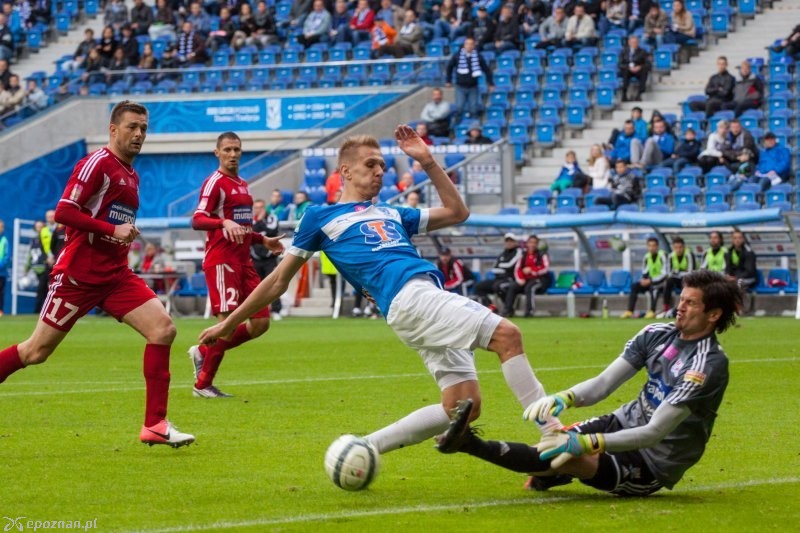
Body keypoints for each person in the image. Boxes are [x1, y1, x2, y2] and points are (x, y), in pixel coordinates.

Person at [198, 126, 550, 458]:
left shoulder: (392, 212)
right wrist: (229, 322)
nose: (380, 171)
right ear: (346, 172)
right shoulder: (319, 216)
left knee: (462, 406)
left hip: (419, 301)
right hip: (410, 298)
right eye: (370, 164)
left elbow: (457, 211)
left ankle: (362, 448)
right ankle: (553, 434)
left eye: (382, 165)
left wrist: (426, 161)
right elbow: (277, 281)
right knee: (507, 335)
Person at [437, 269, 743, 497]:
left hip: (654, 460)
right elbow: (603, 384)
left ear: (714, 314)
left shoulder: (706, 366)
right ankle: (547, 470)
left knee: (567, 457)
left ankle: (468, 443)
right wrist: (564, 398)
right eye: (682, 299)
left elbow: (654, 433)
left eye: (691, 303)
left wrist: (587, 443)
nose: (680, 306)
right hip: (622, 422)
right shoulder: (656, 334)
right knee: (550, 447)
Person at [0, 101, 194, 447]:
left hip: (116, 276)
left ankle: (155, 424)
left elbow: (111, 223)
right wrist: (112, 229)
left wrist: (122, 232)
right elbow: (64, 211)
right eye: (132, 127)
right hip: (78, 277)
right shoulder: (96, 165)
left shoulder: (131, 174)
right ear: (113, 129)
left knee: (163, 329)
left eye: (144, 129)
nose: (139, 134)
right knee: (35, 353)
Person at [188, 132, 285, 398]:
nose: (233, 154)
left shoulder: (241, 184)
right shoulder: (214, 183)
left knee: (261, 323)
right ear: (217, 153)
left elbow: (241, 227)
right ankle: (203, 385)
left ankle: (203, 352)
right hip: (222, 262)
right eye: (228, 149)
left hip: (244, 262)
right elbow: (197, 219)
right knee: (227, 325)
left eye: (237, 150)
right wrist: (222, 223)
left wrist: (262, 239)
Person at [446, 37, 494, 125]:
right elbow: (449, 67)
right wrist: (448, 80)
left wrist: (491, 83)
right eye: (467, 44)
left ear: (474, 45)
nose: (469, 46)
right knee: (459, 107)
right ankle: (457, 127)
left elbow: (486, 70)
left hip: (473, 86)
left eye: (471, 44)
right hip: (460, 86)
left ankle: (474, 126)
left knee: (473, 108)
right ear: (464, 45)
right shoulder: (457, 55)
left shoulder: (478, 56)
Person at [503, 234, 550, 318]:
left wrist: (532, 270)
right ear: (527, 243)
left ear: (537, 244)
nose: (532, 244)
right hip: (525, 279)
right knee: (513, 287)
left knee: (529, 287)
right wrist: (520, 279)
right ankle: (508, 310)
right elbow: (517, 269)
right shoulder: (523, 255)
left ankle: (529, 311)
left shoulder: (542, 254)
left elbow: (545, 268)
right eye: (530, 242)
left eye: (534, 242)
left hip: (539, 279)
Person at [251, 197, 283, 319]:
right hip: (254, 257)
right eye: (256, 208)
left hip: (270, 257)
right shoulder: (249, 220)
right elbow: (252, 232)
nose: (258, 210)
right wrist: (259, 225)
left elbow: (272, 230)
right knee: (255, 286)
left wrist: (260, 222)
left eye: (260, 208)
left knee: (273, 284)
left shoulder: (272, 218)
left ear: (265, 208)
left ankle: (276, 310)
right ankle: (258, 311)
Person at [622, 237, 667, 319]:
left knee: (654, 288)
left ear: (657, 246)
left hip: (661, 282)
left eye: (654, 246)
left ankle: (652, 311)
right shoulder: (646, 257)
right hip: (650, 281)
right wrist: (643, 280)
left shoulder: (662, 255)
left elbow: (665, 273)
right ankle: (630, 311)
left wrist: (651, 280)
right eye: (649, 246)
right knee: (635, 286)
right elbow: (645, 271)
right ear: (647, 246)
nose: (652, 248)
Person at [474, 233, 521, 311]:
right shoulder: (503, 253)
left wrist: (500, 266)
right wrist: (500, 268)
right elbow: (495, 267)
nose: (509, 243)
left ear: (515, 242)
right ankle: (492, 307)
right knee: (479, 287)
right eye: (507, 241)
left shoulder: (518, 252)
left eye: (511, 241)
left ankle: (508, 309)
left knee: (498, 286)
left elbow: (510, 265)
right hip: (498, 279)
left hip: (510, 279)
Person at [662, 236, 696, 317]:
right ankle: (666, 309)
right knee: (669, 281)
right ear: (673, 248)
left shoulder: (689, 254)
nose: (678, 249)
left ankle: (686, 308)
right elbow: (669, 272)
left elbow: (691, 271)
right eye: (676, 247)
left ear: (684, 247)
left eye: (680, 247)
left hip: (688, 279)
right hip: (677, 279)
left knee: (686, 283)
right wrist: (681, 272)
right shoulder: (671, 256)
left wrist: (677, 272)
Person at [619, 35, 649, 101]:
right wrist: (628, 68)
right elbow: (620, 63)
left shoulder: (642, 52)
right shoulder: (624, 51)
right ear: (629, 43)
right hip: (628, 69)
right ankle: (624, 95)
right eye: (632, 42)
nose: (634, 44)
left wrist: (639, 67)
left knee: (644, 72)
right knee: (624, 73)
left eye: (635, 42)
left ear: (638, 43)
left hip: (638, 70)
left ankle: (639, 94)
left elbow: (647, 63)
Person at [0, 218, 7, 316]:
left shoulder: (5, 240)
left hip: (1, 273)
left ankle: (0, 311)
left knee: (0, 292)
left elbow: (7, 257)